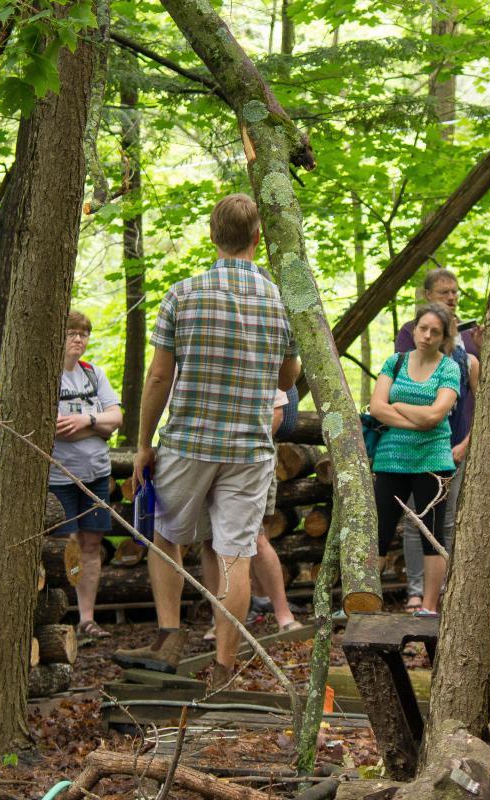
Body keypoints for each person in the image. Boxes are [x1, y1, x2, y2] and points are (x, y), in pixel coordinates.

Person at [114, 193, 300, 686]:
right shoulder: (283, 302)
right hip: (250, 448)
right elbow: (287, 380)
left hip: (189, 441)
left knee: (166, 535)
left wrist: (143, 442)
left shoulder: (183, 294)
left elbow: (157, 378)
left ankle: (170, 634)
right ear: (258, 238)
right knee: (237, 552)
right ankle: (221, 665)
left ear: (213, 236)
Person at [393, 268, 478, 611]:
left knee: (448, 520)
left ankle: (445, 591)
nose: (452, 297)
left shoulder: (469, 343)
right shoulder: (409, 336)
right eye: (444, 291)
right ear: (427, 295)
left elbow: (479, 399)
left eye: (455, 291)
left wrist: (467, 443)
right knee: (416, 518)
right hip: (417, 445)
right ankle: (416, 591)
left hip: (456, 445)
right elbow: (405, 384)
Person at [373, 302, 460, 616]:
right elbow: (376, 407)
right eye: (423, 328)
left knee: (432, 534)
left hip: (432, 462)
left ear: (444, 337)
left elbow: (438, 414)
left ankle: (428, 607)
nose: (427, 335)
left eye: (435, 332)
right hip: (390, 459)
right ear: (414, 329)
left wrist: (400, 408)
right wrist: (419, 420)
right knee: (380, 532)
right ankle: (368, 603)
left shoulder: (449, 367)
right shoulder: (394, 362)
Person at [202, 389, 301, 642]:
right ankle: (219, 620)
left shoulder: (262, 352)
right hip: (206, 456)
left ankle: (284, 616)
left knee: (256, 538)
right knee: (210, 541)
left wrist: (246, 448)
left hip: (251, 459)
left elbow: (277, 413)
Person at [48, 310, 123, 640]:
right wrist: (97, 426)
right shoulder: (47, 376)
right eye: (71, 332)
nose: (79, 339)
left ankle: (87, 619)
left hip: (96, 474)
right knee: (65, 547)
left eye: (84, 333)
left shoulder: (94, 375)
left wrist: (87, 423)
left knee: (92, 543)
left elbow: (116, 417)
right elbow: (54, 430)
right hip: (59, 476)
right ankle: (57, 616)